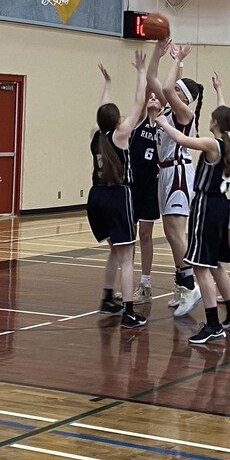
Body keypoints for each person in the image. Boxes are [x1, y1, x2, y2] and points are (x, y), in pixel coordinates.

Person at [156, 91, 230, 343]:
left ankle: (213, 324)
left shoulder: (211, 144)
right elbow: (225, 114)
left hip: (206, 206)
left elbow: (182, 140)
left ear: (215, 122)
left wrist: (162, 123)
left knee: (201, 267)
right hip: (220, 207)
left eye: (213, 117)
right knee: (215, 264)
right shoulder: (228, 142)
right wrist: (219, 90)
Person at [88, 52, 150, 328]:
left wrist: (108, 85)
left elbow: (102, 111)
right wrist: (140, 72)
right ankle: (128, 312)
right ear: (117, 121)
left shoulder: (95, 135)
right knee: (127, 257)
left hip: (96, 196)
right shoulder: (121, 134)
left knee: (115, 251)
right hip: (117, 195)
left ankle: (106, 298)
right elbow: (139, 103)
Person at [146, 42, 203, 315]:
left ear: (185, 97)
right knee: (170, 234)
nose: (171, 91)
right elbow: (151, 79)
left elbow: (167, 88)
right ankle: (182, 284)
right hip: (165, 172)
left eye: (179, 89)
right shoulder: (168, 111)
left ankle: (191, 285)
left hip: (178, 172)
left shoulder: (185, 113)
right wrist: (158, 53)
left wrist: (178, 60)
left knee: (176, 233)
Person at [100, 66, 160, 303]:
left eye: (157, 97)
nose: (153, 99)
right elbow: (142, 97)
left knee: (146, 234)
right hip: (130, 188)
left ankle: (145, 283)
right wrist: (145, 76)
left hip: (151, 187)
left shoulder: (166, 127)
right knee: (127, 238)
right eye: (150, 97)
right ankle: (126, 287)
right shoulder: (135, 127)